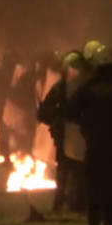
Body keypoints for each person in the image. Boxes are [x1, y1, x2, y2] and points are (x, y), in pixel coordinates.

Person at [69, 46, 112, 225]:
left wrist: (85, 124)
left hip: (94, 143)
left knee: (94, 184)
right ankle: (110, 224)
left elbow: (70, 110)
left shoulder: (87, 89)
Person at [38, 51, 89, 212]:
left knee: (74, 171)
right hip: (68, 135)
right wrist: (57, 119)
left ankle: (72, 203)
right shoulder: (61, 88)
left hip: (78, 135)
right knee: (68, 170)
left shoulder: (82, 88)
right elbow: (44, 112)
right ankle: (63, 203)